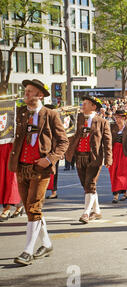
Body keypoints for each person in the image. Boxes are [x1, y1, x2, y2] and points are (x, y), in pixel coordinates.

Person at [9, 79, 69, 265]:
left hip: (40, 169)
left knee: (34, 207)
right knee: (29, 209)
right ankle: (47, 243)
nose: (25, 94)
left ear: (40, 95)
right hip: (21, 167)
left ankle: (27, 251)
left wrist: (49, 159)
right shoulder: (20, 112)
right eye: (25, 91)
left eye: (29, 91)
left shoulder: (50, 114)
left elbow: (63, 142)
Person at [66, 96, 112, 224]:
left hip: (94, 157)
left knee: (90, 184)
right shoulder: (77, 118)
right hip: (79, 156)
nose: (83, 105)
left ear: (93, 106)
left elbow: (107, 142)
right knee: (86, 186)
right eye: (83, 103)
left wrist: (108, 158)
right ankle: (96, 211)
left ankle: (86, 213)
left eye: (86, 103)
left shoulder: (102, 122)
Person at [109, 110, 127, 203]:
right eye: (116, 118)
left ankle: (116, 196)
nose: (117, 120)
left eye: (119, 117)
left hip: (123, 153)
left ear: (124, 118)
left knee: (122, 174)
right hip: (113, 153)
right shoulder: (111, 127)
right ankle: (123, 193)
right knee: (113, 173)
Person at [0, 142, 23, 221]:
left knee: (11, 178)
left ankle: (7, 208)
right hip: (2, 144)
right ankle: (19, 205)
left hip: (13, 145)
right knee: (2, 177)